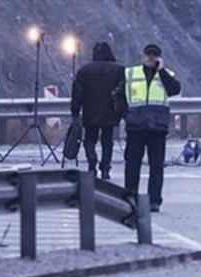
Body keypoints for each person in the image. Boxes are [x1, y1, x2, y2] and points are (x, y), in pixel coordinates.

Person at [124, 43, 181, 212]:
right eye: (148, 54)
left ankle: (154, 200)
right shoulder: (131, 73)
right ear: (143, 55)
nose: (150, 57)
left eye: (154, 54)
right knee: (132, 164)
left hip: (157, 127)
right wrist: (125, 114)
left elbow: (174, 90)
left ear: (159, 57)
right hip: (136, 125)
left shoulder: (166, 75)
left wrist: (161, 71)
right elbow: (120, 94)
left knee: (156, 166)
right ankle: (130, 197)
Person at [71, 42, 126, 180]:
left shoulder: (85, 70)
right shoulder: (118, 70)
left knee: (90, 139)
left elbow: (77, 93)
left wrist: (75, 112)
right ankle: (105, 168)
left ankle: (92, 163)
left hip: (90, 110)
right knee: (107, 140)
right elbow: (124, 92)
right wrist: (123, 111)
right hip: (110, 110)